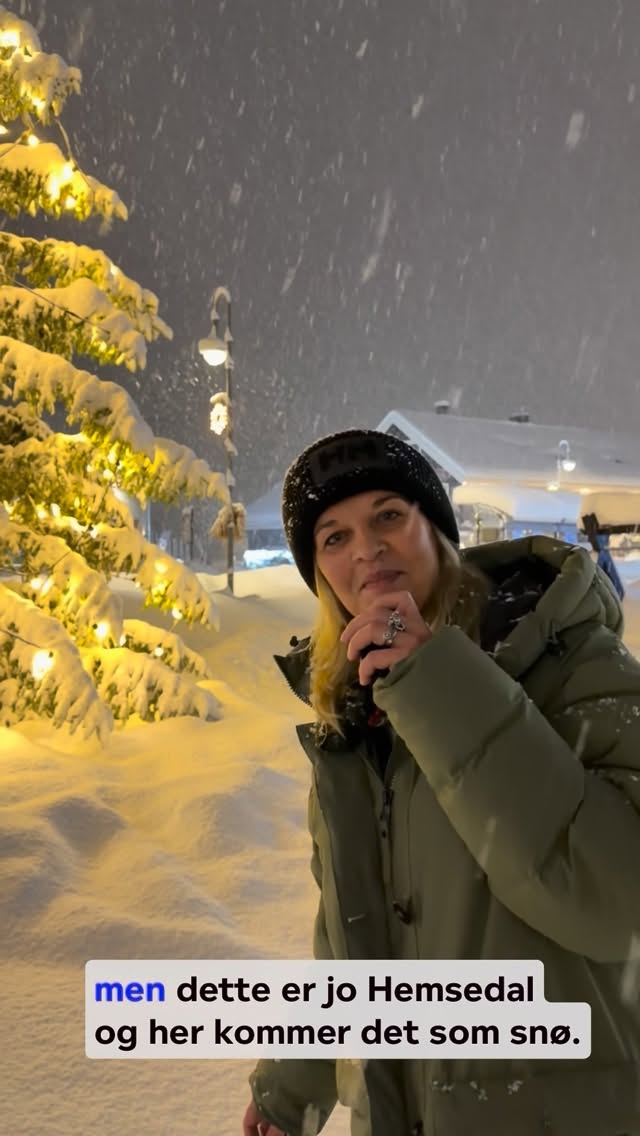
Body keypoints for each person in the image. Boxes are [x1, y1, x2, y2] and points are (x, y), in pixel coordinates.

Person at [242, 428, 640, 1136]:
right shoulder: (356, 716)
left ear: (437, 528)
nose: (366, 549)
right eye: (334, 537)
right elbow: (352, 935)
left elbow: (620, 902)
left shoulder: (575, 664)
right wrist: (293, 1086)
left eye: (388, 515)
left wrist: (441, 689)